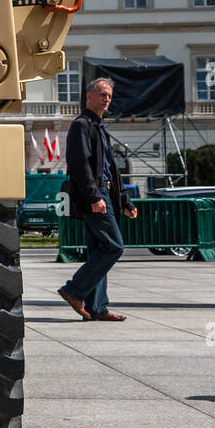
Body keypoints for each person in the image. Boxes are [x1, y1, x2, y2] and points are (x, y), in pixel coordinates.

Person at [58, 77, 138, 322]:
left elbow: (110, 169)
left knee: (99, 250)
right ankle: (74, 290)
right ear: (89, 96)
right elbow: (80, 165)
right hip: (94, 195)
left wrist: (124, 200)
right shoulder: (82, 125)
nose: (106, 99)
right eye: (102, 94)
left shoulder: (99, 127)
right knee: (114, 246)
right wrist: (94, 196)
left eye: (109, 96)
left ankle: (97, 308)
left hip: (104, 193)